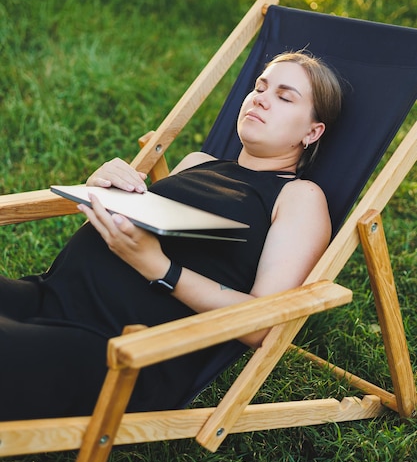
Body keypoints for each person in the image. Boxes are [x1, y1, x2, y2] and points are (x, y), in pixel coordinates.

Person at [0, 51, 343, 421]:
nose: (260, 97)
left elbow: (264, 325)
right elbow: (117, 237)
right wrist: (104, 195)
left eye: (284, 96)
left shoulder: (298, 197)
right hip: (46, 297)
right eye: (260, 87)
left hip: (112, 351)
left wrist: (161, 268)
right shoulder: (198, 162)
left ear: (312, 131)